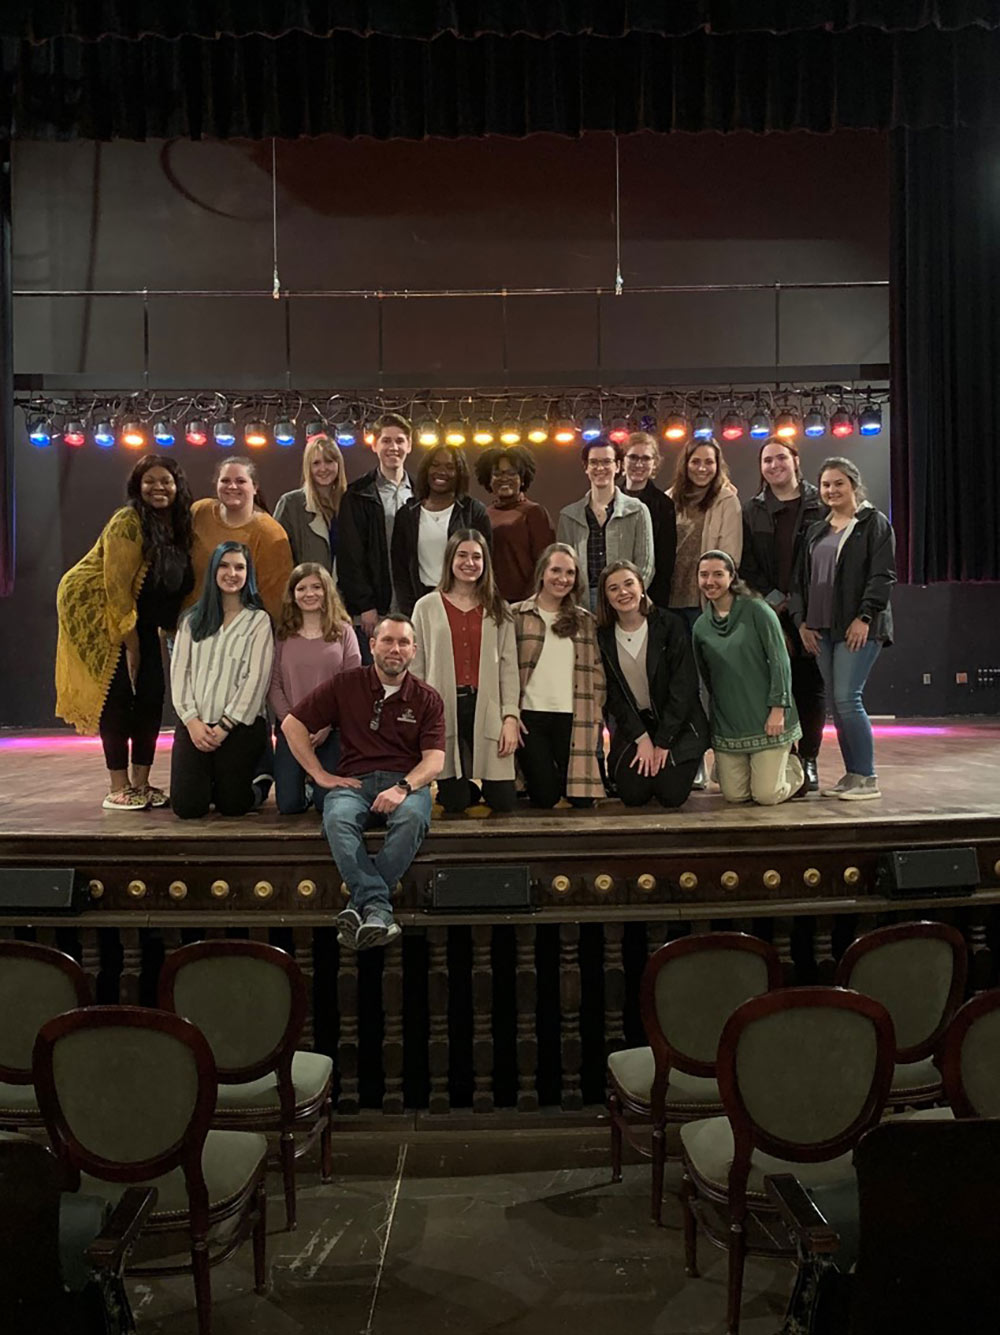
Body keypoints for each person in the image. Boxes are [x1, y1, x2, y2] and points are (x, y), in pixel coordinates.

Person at [281, 615, 446, 951]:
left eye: (403, 643)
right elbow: (291, 725)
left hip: (405, 785)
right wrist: (320, 776)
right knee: (337, 817)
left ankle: (364, 906)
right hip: (354, 783)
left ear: (414, 650)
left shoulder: (427, 698)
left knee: (413, 817)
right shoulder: (346, 685)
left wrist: (402, 788)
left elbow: (434, 761)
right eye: (387, 641)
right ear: (372, 646)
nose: (394, 649)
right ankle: (379, 909)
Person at [55, 454, 194, 811]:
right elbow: (117, 589)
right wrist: (131, 646)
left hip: (139, 617)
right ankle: (118, 786)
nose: (158, 487)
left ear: (178, 486)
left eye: (166, 481)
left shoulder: (175, 525)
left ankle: (142, 784)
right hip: (98, 611)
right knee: (116, 697)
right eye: (150, 481)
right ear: (137, 486)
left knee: (151, 693)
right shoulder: (127, 521)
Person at [793, 457, 895, 802]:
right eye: (825, 485)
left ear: (853, 484)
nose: (831, 490)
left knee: (849, 700)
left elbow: (882, 576)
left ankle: (867, 777)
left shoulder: (872, 523)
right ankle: (852, 775)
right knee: (838, 704)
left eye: (838, 483)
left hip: (859, 628)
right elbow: (802, 582)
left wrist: (864, 617)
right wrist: (803, 622)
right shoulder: (817, 530)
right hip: (822, 628)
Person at [740, 437, 828, 792]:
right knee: (777, 686)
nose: (774, 465)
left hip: (812, 608)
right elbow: (747, 564)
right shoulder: (753, 509)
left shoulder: (819, 504)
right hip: (768, 609)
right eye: (767, 460)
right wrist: (775, 599)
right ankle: (785, 758)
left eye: (780, 458)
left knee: (810, 684)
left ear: (795, 460)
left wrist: (799, 603)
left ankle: (808, 758)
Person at [411, 530, 519, 815]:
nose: (469, 562)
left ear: (485, 563)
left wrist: (510, 717)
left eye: (476, 556)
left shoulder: (499, 608)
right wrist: (419, 715)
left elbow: (508, 667)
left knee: (504, 801)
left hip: (487, 705)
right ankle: (461, 787)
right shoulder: (426, 606)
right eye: (462, 555)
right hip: (443, 706)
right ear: (450, 559)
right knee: (455, 802)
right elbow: (417, 665)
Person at [169, 542, 274, 820]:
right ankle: (211, 779)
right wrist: (192, 722)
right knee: (188, 808)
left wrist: (225, 726)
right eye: (225, 566)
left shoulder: (258, 621)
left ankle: (259, 777)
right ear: (214, 570)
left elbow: (257, 679)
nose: (232, 573)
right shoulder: (192, 620)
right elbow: (180, 674)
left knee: (234, 806)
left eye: (240, 567)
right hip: (196, 724)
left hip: (239, 726)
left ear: (248, 574)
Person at [692, 550, 805, 806]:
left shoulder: (757, 610)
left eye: (718, 574)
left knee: (765, 795)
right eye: (704, 575)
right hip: (729, 723)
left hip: (767, 718)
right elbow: (707, 680)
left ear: (732, 577)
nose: (710, 581)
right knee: (735, 796)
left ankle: (793, 767)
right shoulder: (700, 626)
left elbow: (780, 661)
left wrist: (778, 708)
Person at [596, 561, 708, 808]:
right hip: (638, 726)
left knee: (671, 795)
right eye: (613, 588)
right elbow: (613, 696)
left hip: (677, 725)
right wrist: (642, 739)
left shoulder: (670, 625)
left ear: (642, 587)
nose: (623, 592)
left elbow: (684, 688)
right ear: (606, 597)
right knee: (632, 795)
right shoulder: (603, 637)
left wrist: (663, 741)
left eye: (628, 584)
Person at [511, 543, 606, 808]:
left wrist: (595, 712)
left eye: (570, 573)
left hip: (573, 718)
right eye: (556, 570)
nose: (562, 579)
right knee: (545, 797)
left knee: (582, 799)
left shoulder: (585, 621)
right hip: (530, 719)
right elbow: (504, 671)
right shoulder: (516, 615)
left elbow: (597, 671)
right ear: (542, 572)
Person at [268, 562, 361, 814]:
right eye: (301, 588)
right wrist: (292, 725)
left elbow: (351, 684)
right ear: (292, 594)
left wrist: (326, 724)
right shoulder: (283, 635)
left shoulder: (344, 632)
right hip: (291, 728)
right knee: (288, 805)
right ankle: (305, 789)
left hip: (331, 730)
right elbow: (274, 685)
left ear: (327, 590)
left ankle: (316, 789)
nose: (309, 594)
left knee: (325, 803)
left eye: (316, 587)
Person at [337, 412, 415, 652]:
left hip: (411, 605)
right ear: (374, 445)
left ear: (409, 445)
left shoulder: (421, 494)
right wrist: (364, 605)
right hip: (373, 611)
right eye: (386, 441)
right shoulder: (357, 494)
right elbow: (351, 555)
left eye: (400, 441)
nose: (394, 447)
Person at [188, 456, 293, 623]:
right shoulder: (199, 512)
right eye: (225, 480)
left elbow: (275, 601)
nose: (232, 486)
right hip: (189, 625)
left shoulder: (271, 533)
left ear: (255, 487)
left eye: (240, 481)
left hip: (241, 634)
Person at [391, 447, 492, 616]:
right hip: (419, 603)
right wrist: (409, 610)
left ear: (459, 472)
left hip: (464, 602)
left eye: (450, 467)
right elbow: (399, 568)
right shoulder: (407, 514)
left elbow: (487, 563)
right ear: (426, 469)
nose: (441, 472)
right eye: (435, 465)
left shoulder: (473, 511)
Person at [557, 438, 654, 612]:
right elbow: (564, 568)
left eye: (606, 462)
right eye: (594, 462)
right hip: (582, 604)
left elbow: (645, 564)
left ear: (618, 466)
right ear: (586, 467)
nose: (600, 468)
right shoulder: (569, 516)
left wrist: (628, 598)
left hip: (626, 602)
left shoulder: (638, 510)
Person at [667, 437, 742, 631]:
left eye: (709, 462)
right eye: (695, 462)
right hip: (669, 599)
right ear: (685, 464)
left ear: (718, 465)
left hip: (706, 600)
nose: (702, 468)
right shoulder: (669, 498)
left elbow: (731, 556)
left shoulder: (726, 500)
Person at [473, 445, 555, 602]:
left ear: (522, 478)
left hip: (526, 602)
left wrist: (529, 601)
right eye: (497, 474)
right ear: (488, 480)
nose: (504, 478)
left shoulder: (534, 512)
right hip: (489, 601)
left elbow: (545, 563)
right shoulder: (483, 514)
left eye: (511, 473)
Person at [273, 434, 347, 574]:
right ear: (308, 467)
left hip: (345, 593)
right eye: (316, 463)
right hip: (306, 592)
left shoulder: (351, 503)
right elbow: (278, 557)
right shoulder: (290, 504)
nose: (323, 468)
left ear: (339, 464)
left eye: (329, 461)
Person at [621, 432, 676, 610]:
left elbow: (665, 560)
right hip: (613, 592)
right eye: (633, 457)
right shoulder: (608, 499)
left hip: (651, 596)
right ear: (622, 461)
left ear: (654, 464)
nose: (639, 464)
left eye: (646, 458)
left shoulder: (664, 504)